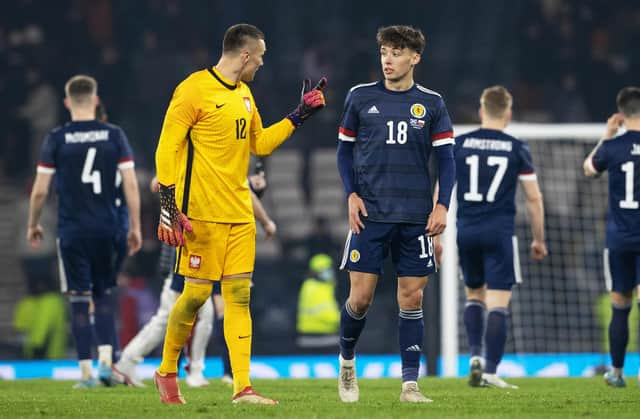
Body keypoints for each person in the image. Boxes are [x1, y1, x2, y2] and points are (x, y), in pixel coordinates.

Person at [153, 23, 326, 405]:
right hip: (200, 216)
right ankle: (166, 370)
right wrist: (169, 207)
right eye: (260, 57)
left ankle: (242, 387)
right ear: (245, 54)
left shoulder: (245, 95)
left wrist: (298, 115)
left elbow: (260, 144)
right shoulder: (193, 89)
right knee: (195, 297)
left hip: (239, 215)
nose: (262, 64)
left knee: (239, 297)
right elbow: (166, 148)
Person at [336, 25, 455, 403]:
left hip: (416, 216)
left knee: (412, 299)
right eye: (384, 51)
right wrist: (351, 194)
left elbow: (447, 160)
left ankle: (410, 386)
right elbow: (344, 151)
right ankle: (347, 361)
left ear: (415, 58)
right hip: (369, 214)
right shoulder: (359, 97)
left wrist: (442, 206)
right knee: (361, 300)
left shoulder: (432, 103)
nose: (388, 59)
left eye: (397, 52)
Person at [26, 75, 142, 388]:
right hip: (108, 228)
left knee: (78, 299)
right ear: (95, 99)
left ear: (66, 103)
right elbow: (130, 183)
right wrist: (135, 225)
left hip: (73, 230)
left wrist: (33, 223)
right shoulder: (114, 134)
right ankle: (108, 363)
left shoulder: (57, 138)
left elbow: (39, 191)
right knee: (104, 294)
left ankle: (87, 373)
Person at [114, 174, 275, 388]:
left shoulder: (193, 163)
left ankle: (136, 363)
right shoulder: (199, 161)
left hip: (192, 248)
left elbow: (157, 184)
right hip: (188, 250)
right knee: (181, 317)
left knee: (188, 316)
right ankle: (186, 370)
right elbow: (157, 184)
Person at [451, 86, 547, 389]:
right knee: (498, 304)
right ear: (508, 112)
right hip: (499, 232)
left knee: (473, 295)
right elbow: (533, 198)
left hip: (466, 231)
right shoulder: (517, 147)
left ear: (481, 111)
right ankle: (491, 370)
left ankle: (475, 357)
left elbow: (442, 187)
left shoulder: (460, 143)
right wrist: (538, 239)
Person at [583, 86, 640, 387]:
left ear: (621, 114)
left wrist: (607, 135)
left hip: (618, 239)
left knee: (620, 303)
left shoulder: (614, 146)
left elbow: (589, 169)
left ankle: (617, 373)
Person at [296, 254, 340, 345]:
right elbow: (328, 315)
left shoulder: (324, 286)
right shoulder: (312, 287)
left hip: (320, 335)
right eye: (326, 270)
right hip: (317, 337)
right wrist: (349, 320)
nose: (330, 272)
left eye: (330, 269)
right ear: (316, 272)